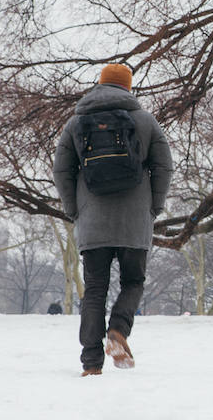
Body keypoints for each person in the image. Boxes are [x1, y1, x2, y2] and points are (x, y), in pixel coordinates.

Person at [53, 63, 173, 377]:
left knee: (95, 289)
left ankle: (92, 363)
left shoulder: (76, 122)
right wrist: (154, 207)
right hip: (135, 220)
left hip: (92, 220)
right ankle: (118, 330)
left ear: (100, 84)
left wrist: (74, 209)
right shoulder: (145, 121)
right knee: (133, 281)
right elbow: (164, 166)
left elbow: (62, 170)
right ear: (128, 87)